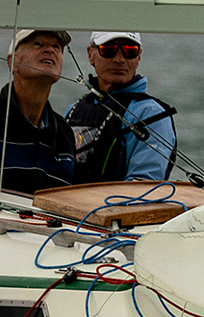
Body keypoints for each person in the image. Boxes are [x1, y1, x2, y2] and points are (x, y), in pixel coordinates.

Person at [67, 32, 177, 182]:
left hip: (120, 198)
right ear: (90, 54)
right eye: (108, 50)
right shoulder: (73, 110)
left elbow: (145, 183)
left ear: (138, 57)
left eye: (129, 51)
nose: (119, 59)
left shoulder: (151, 114)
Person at [0, 28, 78, 196]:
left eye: (56, 47)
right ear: (12, 62)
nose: (50, 50)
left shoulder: (64, 134)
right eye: (38, 44)